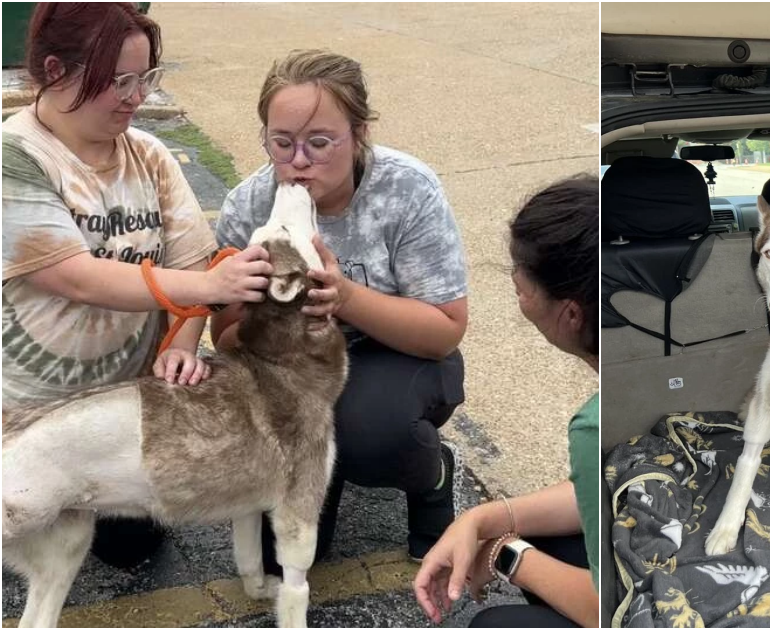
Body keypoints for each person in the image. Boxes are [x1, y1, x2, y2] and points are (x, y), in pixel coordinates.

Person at [1, 2, 272, 569]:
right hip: (31, 408)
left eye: (144, 78)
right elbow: (74, 274)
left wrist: (178, 342)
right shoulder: (15, 158)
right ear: (55, 71)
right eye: (117, 81)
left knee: (133, 549)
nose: (136, 96)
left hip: (123, 410)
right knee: (24, 526)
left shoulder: (147, 154)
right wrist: (207, 286)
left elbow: (195, 263)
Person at [211, 49, 469, 569]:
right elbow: (225, 339)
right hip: (293, 369)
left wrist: (346, 296)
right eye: (281, 144)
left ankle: (432, 474)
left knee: (372, 431)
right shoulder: (249, 205)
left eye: (320, 143)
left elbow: (445, 330)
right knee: (281, 562)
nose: (298, 161)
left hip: (395, 354)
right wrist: (264, 309)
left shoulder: (406, 190)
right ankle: (321, 475)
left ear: (359, 133)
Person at [413, 176, 599, 628]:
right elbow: (599, 489)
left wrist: (504, 551)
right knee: (550, 539)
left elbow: (611, 610)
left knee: (494, 624)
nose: (515, 287)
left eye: (521, 284)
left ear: (571, 313)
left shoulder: (592, 424)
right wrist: (487, 518)